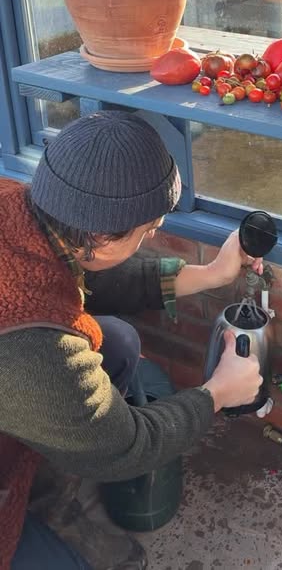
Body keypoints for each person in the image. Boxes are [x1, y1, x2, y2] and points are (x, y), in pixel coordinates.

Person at [0, 110, 263, 570]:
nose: (154, 235)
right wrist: (218, 393)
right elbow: (124, 446)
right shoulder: (33, 351)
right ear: (100, 237)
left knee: (116, 342)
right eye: (149, 231)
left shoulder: (21, 208)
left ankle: (46, 501)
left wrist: (212, 274)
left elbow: (73, 269)